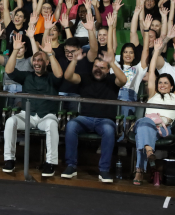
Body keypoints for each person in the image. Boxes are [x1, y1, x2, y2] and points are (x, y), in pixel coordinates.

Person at [61, 49, 127, 183]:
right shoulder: (85, 77)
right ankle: (71, 166)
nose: (98, 69)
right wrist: (74, 60)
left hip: (105, 120)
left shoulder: (112, 80)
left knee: (109, 130)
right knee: (71, 125)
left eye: (102, 68)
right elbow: (68, 76)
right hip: (85, 118)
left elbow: (124, 80)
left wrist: (112, 63)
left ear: (108, 70)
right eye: (96, 66)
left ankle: (104, 170)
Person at [2, 33, 63, 176]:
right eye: (34, 60)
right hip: (27, 115)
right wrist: (15, 51)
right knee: (10, 121)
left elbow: (60, 74)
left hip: (46, 116)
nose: (36, 63)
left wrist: (50, 54)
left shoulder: (52, 78)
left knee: (52, 125)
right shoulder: (27, 76)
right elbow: (9, 70)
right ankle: (9, 160)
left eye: (40, 60)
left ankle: (50, 163)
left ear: (46, 62)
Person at [133, 39, 175, 185]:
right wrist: (156, 51)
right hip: (149, 125)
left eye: (166, 83)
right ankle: (148, 151)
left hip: (164, 128)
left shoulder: (174, 96)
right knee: (145, 127)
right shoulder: (153, 95)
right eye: (160, 82)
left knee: (142, 126)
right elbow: (151, 72)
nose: (162, 85)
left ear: (171, 87)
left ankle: (139, 171)